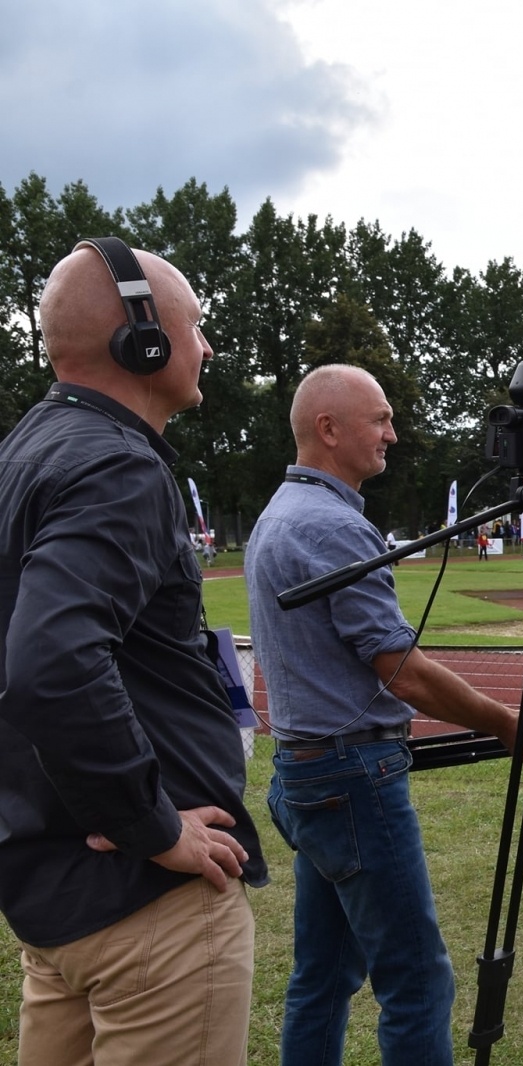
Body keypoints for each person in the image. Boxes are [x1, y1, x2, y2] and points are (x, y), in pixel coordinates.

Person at [0, 238, 267, 1064]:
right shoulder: (118, 466)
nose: (208, 347)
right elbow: (51, 660)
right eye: (195, 326)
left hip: (53, 906)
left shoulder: (21, 456)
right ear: (142, 340)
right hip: (149, 910)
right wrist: (147, 823)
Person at [247, 364, 523, 1065]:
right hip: (350, 777)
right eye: (379, 418)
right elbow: (400, 669)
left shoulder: (281, 511)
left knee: (324, 974)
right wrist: (508, 724)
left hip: (306, 774)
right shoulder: (332, 526)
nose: (393, 434)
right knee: (416, 980)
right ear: (329, 428)